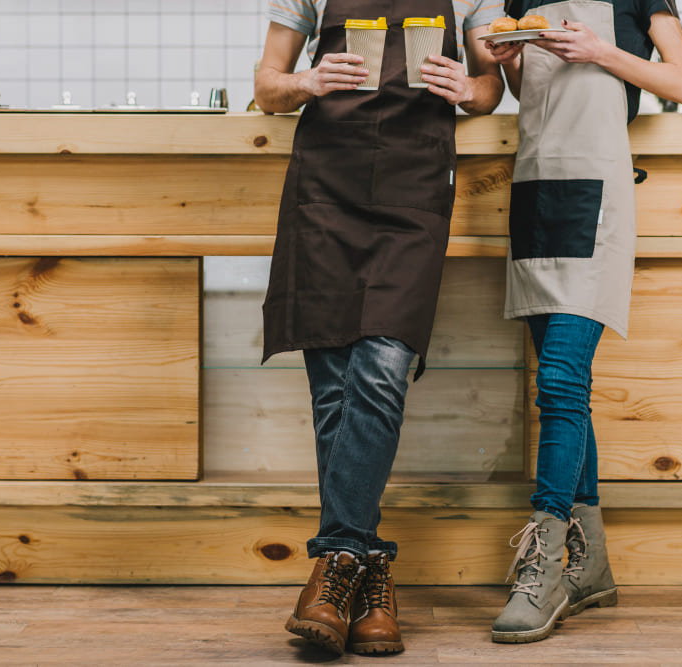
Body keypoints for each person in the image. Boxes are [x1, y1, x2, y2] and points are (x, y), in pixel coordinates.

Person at [254, 0, 504, 657]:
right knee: (334, 391)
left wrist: (469, 87)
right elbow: (266, 87)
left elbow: (489, 88)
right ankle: (369, 578)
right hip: (325, 187)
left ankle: (337, 557)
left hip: (414, 187)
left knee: (382, 370)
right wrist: (304, 82)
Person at [485, 0, 682, 644]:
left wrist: (599, 51)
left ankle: (546, 555)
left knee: (560, 381)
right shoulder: (521, 2)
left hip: (599, 193)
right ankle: (593, 565)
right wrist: (512, 59)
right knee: (563, 390)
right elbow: (529, 93)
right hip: (537, 190)